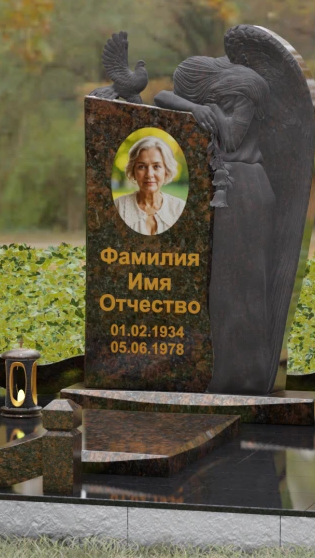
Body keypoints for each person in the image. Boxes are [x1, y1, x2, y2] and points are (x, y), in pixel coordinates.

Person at [155, 56, 275, 394]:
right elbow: (161, 97)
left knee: (243, 288)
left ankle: (245, 377)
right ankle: (227, 372)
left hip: (244, 190)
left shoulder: (244, 92)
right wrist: (193, 107)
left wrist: (207, 111)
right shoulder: (218, 96)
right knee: (224, 288)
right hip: (232, 189)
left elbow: (232, 139)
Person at [114, 136, 185, 236]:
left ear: (166, 171)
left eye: (156, 166)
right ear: (133, 171)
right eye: (142, 167)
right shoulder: (118, 207)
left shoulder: (179, 208)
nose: (149, 174)